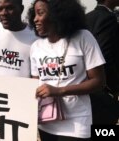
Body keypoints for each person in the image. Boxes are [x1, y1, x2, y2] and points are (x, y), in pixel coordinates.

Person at [28, 0, 106, 140]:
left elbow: (98, 81)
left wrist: (60, 91)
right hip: (46, 122)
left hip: (76, 123)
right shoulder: (35, 47)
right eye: (34, 14)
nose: (35, 19)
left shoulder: (83, 37)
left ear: (58, 14)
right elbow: (35, 84)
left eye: (40, 13)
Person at [86, 0, 119, 98]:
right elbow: (105, 54)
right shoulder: (108, 18)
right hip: (105, 88)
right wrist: (115, 86)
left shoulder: (87, 17)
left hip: (89, 84)